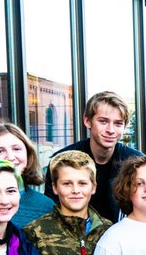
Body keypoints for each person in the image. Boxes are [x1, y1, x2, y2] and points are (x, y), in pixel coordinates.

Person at [46, 91, 137, 222]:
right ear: (87, 121)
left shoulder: (135, 162)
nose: (111, 130)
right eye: (103, 121)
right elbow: (51, 208)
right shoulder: (62, 161)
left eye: (118, 123)